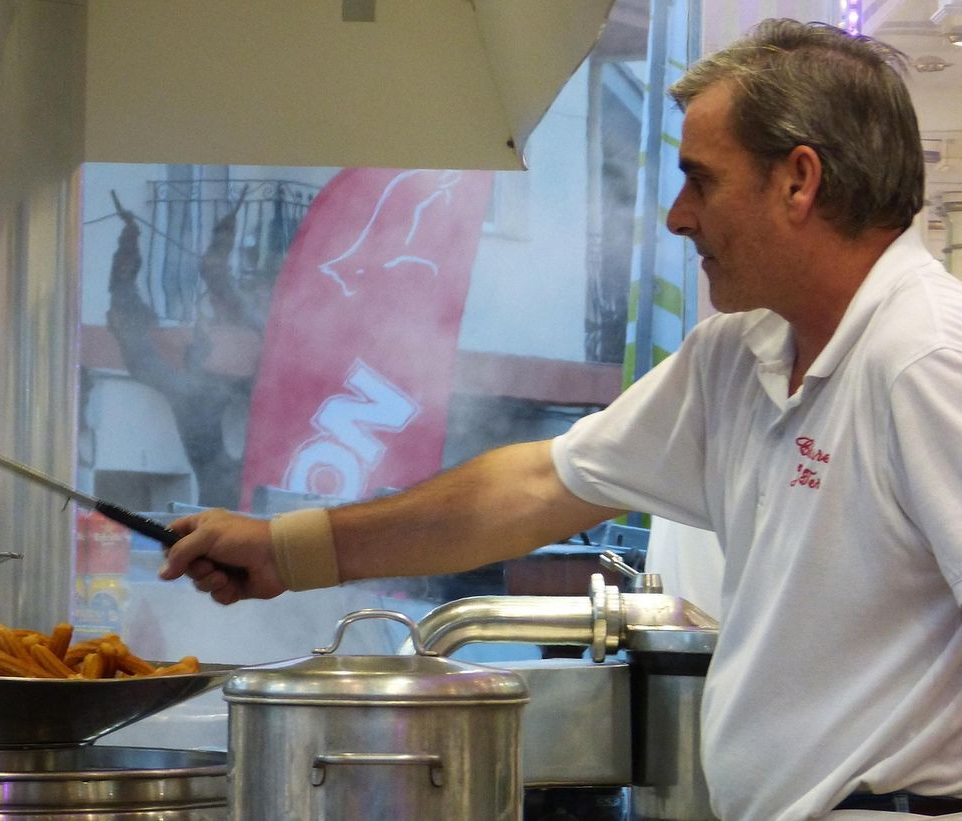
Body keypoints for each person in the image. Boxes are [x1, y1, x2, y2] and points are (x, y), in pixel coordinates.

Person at [161, 19, 962, 821]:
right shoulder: (737, 355)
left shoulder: (924, 358)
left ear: (799, 180)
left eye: (701, 180)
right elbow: (537, 487)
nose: (678, 216)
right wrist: (286, 548)